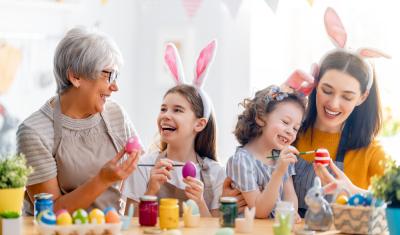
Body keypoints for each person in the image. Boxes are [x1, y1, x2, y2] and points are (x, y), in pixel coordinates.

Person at [17, 27, 142, 215]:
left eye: (115, 76)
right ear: (75, 76)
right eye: (108, 75)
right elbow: (48, 213)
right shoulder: (34, 131)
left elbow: (139, 175)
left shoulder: (116, 114)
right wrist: (102, 179)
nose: (115, 86)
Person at [284, 7, 390, 217]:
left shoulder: (370, 151)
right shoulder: (289, 133)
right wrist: (281, 98)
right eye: (327, 90)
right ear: (315, 84)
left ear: (362, 97)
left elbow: (395, 201)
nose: (333, 103)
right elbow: (251, 158)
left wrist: (352, 191)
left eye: (347, 96)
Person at [123, 41, 225, 217]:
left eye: (177, 110)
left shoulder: (216, 173)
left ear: (199, 124)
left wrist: (200, 202)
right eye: (163, 109)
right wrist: (151, 190)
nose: (165, 115)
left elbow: (216, 230)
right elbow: (130, 225)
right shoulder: (142, 166)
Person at [226, 85, 305, 219]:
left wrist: (291, 212)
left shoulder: (281, 156)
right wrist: (279, 172)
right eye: (285, 122)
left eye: (296, 128)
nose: (290, 131)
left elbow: (289, 195)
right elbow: (260, 212)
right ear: (261, 118)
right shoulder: (242, 161)